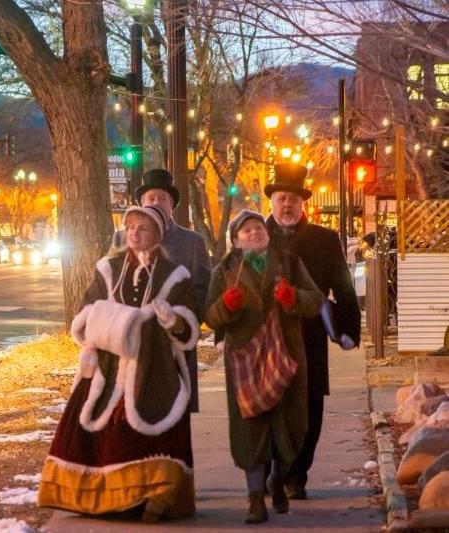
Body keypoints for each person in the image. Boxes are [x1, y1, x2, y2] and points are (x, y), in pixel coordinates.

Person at [39, 205, 201, 522]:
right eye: (131, 228)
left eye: (143, 229)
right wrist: (108, 322)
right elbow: (86, 311)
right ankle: (101, 497)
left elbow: (188, 330)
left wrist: (172, 321)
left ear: (158, 234)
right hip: (108, 365)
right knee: (97, 430)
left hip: (153, 369)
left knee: (156, 428)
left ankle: (155, 497)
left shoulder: (175, 276)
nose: (135, 234)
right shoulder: (108, 268)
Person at [206, 209, 323, 524]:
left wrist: (292, 297)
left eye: (258, 227)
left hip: (286, 355)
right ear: (236, 241)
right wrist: (225, 307)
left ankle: (279, 478)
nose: (254, 232)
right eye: (246, 230)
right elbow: (210, 316)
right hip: (245, 360)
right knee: (251, 428)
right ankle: (256, 498)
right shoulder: (225, 271)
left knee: (290, 424)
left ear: (267, 233)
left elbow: (315, 300)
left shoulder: (289, 263)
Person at [264, 163, 362, 500]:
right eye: (280, 199)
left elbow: (344, 289)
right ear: (272, 202)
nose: (286, 205)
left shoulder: (324, 239)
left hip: (308, 337)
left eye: (292, 199)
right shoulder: (251, 236)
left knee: (307, 407)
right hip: (264, 340)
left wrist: (349, 330)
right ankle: (268, 471)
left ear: (302, 202)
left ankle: (295, 475)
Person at [112, 168, 211, 413]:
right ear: (141, 204)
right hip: (133, 344)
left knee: (174, 417)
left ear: (172, 205)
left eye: (162, 198)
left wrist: (181, 322)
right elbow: (110, 289)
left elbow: (203, 291)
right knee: (133, 415)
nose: (156, 202)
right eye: (150, 198)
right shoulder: (121, 239)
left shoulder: (193, 242)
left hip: (174, 345)